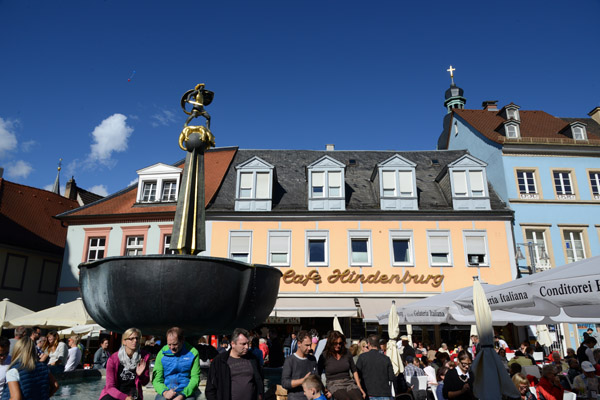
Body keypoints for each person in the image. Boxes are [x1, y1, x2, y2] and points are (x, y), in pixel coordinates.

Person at [206, 328, 263, 400]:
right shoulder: (220, 361)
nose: (247, 347)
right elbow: (210, 388)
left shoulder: (253, 359)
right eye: (243, 344)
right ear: (233, 344)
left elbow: (259, 381)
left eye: (248, 343)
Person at [99, 327, 150, 400]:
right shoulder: (113, 359)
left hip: (133, 394)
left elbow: (145, 383)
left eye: (137, 338)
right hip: (115, 393)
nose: (135, 340)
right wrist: (125, 398)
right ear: (124, 341)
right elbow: (110, 387)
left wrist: (140, 375)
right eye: (131, 338)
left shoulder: (144, 357)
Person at [153, 327, 201, 400]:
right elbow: (157, 379)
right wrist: (165, 392)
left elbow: (195, 378)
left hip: (185, 391)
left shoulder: (193, 353)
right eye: (169, 344)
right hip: (167, 390)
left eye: (175, 344)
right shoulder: (162, 353)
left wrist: (183, 395)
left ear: (182, 340)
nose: (172, 348)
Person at [317, 330, 365, 400]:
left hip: (348, 382)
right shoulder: (324, 356)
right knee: (345, 399)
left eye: (340, 343)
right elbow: (318, 374)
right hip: (333, 383)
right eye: (335, 343)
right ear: (330, 343)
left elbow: (354, 370)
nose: (338, 345)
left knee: (358, 398)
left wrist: (359, 387)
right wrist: (324, 389)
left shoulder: (347, 353)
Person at [356, 334, 394, 400]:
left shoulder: (362, 357)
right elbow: (391, 377)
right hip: (384, 393)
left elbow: (356, 375)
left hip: (368, 393)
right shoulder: (386, 358)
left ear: (368, 344)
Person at [281, 330, 318, 400]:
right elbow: (285, 383)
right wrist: (302, 381)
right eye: (307, 345)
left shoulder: (312, 359)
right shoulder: (290, 360)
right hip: (295, 397)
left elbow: (317, 377)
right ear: (299, 343)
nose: (309, 348)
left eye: (310, 345)